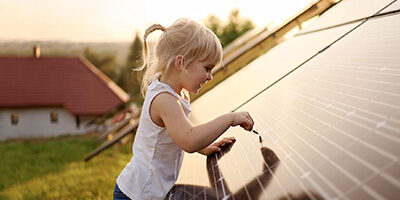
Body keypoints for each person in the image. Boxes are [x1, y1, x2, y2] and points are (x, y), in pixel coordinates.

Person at [114, 18, 255, 200]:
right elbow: (188, 139)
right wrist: (230, 119)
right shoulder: (164, 99)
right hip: (136, 194)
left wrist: (204, 147)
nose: (210, 76)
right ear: (180, 63)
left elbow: (178, 134)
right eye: (207, 68)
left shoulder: (174, 91)